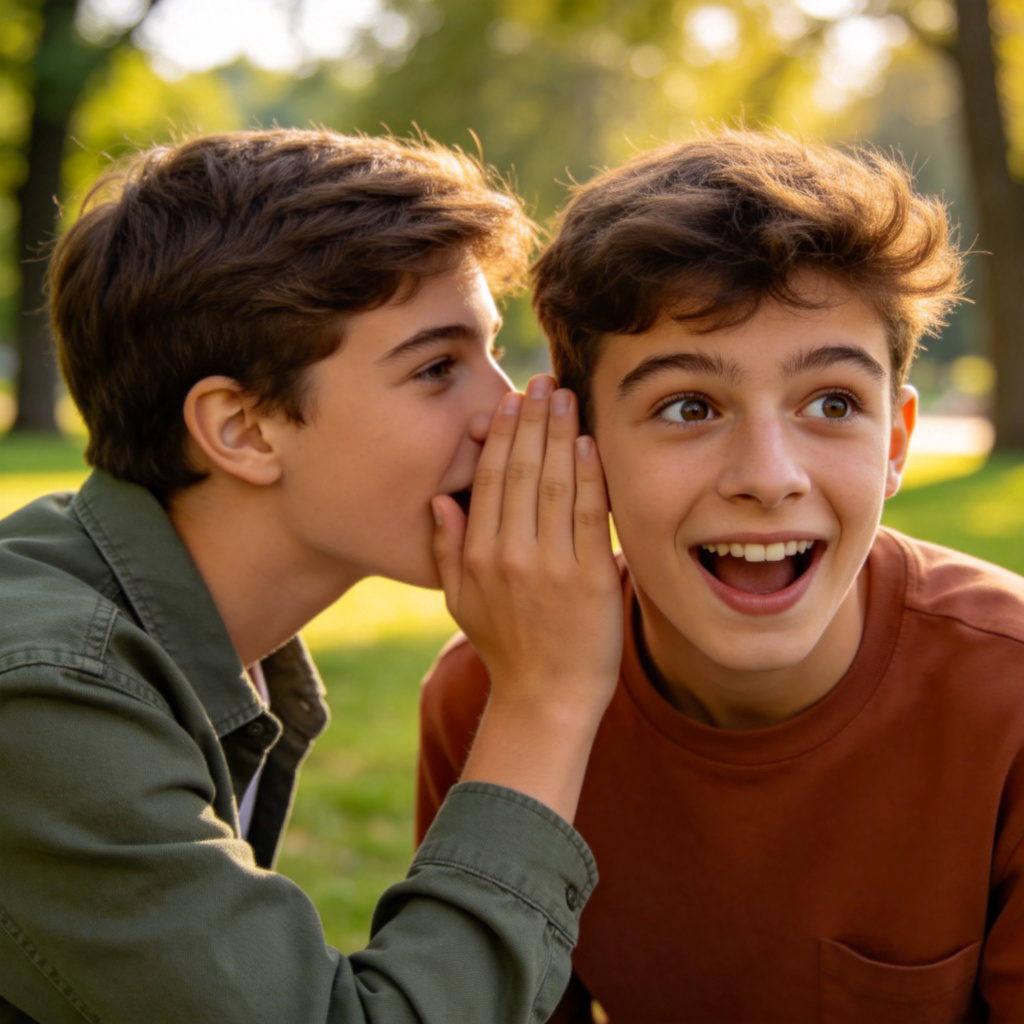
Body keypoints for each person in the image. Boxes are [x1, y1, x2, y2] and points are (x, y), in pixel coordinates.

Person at [0, 128, 624, 1023]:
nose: (507, 410)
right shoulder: (46, 695)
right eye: (437, 367)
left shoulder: (205, 648)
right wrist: (547, 694)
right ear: (245, 430)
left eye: (491, 352)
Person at [417, 128, 1024, 1022]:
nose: (768, 474)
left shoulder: (1008, 696)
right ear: (579, 449)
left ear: (894, 443)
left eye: (832, 403)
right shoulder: (495, 699)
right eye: (689, 406)